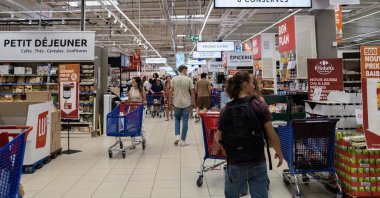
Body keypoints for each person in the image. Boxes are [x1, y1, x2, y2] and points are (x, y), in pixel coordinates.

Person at [216, 72, 283, 198]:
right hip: (257, 160)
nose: (254, 86)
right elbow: (271, 134)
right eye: (252, 83)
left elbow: (218, 138)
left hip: (235, 163)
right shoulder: (259, 105)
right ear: (246, 85)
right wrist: (279, 152)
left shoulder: (226, 109)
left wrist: (228, 151)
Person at [171, 65, 195, 147]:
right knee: (185, 121)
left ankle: (177, 136)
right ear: (183, 70)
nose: (187, 71)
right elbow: (192, 91)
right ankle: (183, 141)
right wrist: (193, 102)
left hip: (176, 103)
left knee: (177, 119)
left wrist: (170, 101)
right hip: (186, 103)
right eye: (186, 70)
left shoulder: (174, 79)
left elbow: (171, 90)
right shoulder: (189, 79)